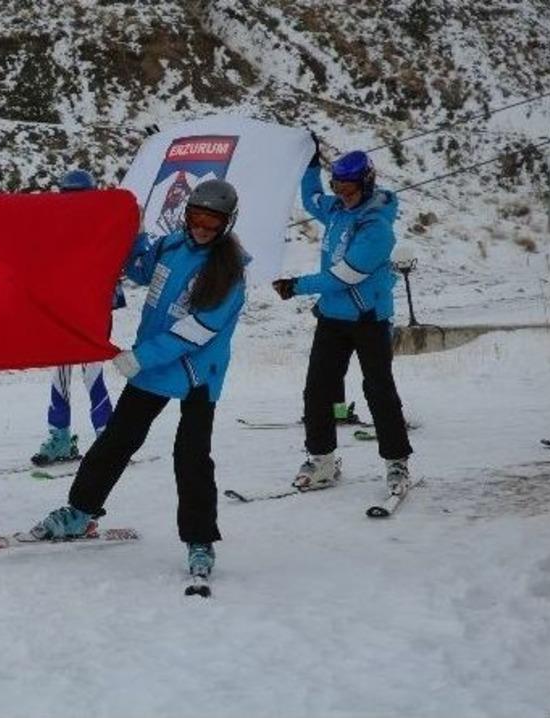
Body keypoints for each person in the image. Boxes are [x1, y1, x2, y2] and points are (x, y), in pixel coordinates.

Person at [30, 179, 249, 581]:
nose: (201, 227)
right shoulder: (170, 247)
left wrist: (140, 357)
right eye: (196, 216)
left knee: (191, 457)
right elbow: (135, 267)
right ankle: (81, 511)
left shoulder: (230, 272)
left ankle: (199, 540)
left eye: (212, 221)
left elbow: (199, 329)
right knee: (116, 441)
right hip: (153, 368)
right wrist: (127, 224)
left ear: (226, 223)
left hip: (197, 373)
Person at [272, 139, 413, 495]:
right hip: (333, 319)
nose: (342, 195)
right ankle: (321, 460)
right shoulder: (335, 209)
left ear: (365, 185)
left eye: (349, 189)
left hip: (369, 319)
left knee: (378, 390)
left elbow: (345, 275)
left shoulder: (377, 226)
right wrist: (309, 162)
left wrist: (296, 286)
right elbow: (310, 197)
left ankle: (397, 463)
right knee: (317, 390)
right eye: (338, 188)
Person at [31, 169, 126, 466]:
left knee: (91, 374)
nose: (74, 203)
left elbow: (113, 270)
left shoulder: (103, 228)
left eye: (80, 197)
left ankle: (107, 438)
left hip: (92, 315)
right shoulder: (54, 230)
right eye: (68, 197)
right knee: (59, 374)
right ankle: (59, 436)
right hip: (64, 314)